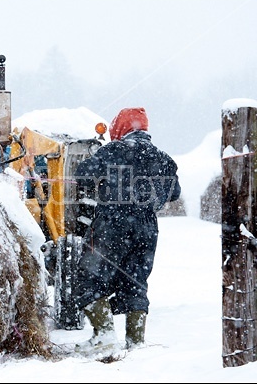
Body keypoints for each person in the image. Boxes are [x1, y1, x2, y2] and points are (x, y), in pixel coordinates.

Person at [72, 107, 181, 354]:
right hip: (147, 227)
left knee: (89, 276)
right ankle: (136, 342)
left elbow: (83, 174)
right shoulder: (164, 158)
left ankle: (104, 335)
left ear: (120, 129)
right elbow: (174, 193)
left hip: (112, 223)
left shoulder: (114, 150)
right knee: (136, 281)